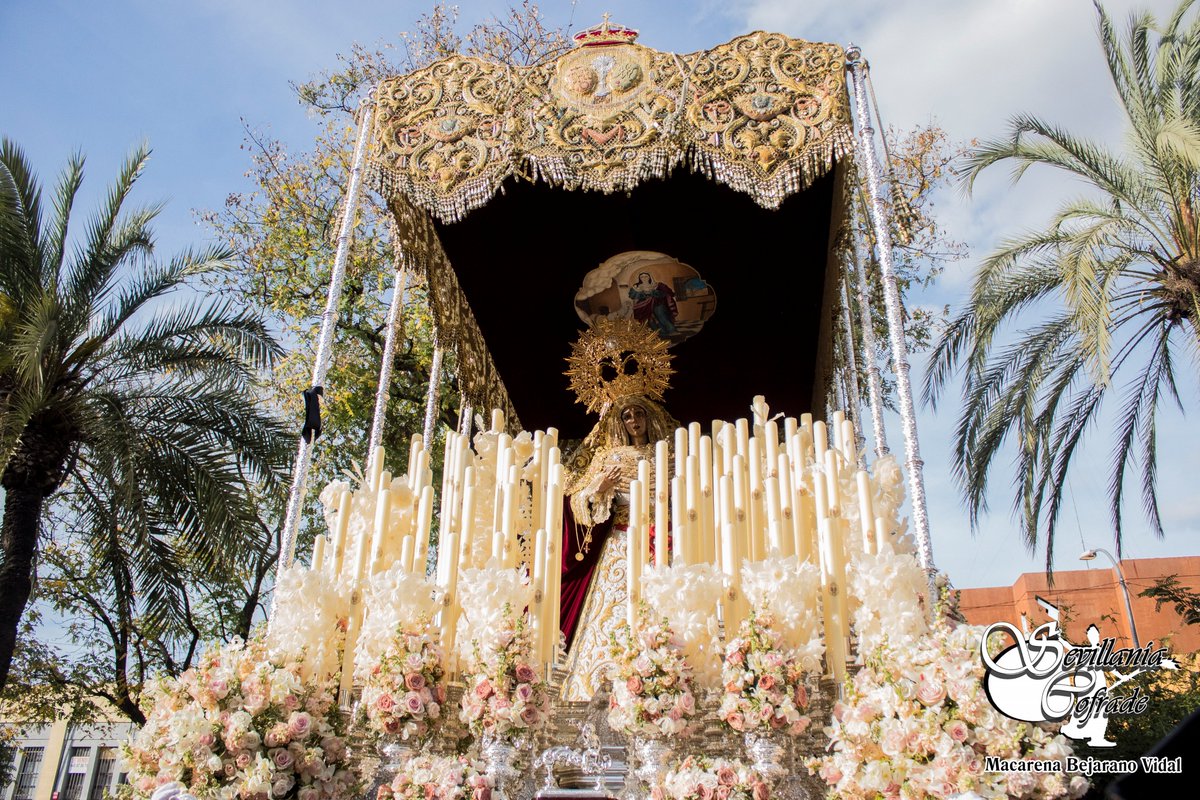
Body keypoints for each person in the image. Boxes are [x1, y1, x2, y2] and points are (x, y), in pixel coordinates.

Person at [558, 395, 676, 700]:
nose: (634, 420)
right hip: (621, 544)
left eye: (640, 413)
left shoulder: (670, 456)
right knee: (616, 612)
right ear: (619, 422)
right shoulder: (610, 458)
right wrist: (600, 488)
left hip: (662, 543)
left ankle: (668, 683)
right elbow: (578, 501)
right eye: (626, 415)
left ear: (651, 418)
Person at [628, 272, 678, 336]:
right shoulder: (636, 287)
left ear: (649, 277)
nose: (644, 278)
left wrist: (655, 293)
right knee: (650, 320)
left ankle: (671, 329)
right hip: (644, 306)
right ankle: (660, 332)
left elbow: (667, 293)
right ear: (639, 278)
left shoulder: (657, 285)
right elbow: (635, 298)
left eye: (646, 276)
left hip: (657, 303)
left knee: (661, 315)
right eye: (642, 277)